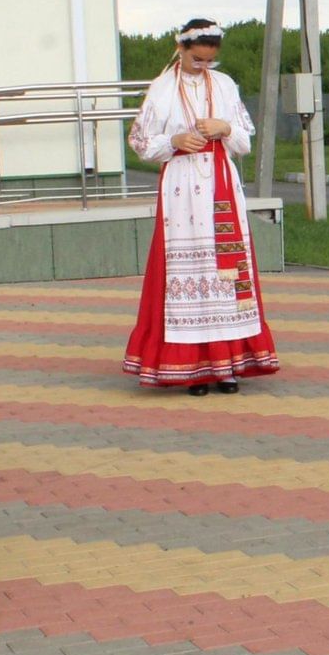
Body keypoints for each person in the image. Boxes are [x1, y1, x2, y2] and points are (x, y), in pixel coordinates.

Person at [124, 20, 278, 392]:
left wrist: (224, 128)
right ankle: (193, 367)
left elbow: (244, 139)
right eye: (197, 59)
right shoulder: (162, 90)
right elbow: (140, 142)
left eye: (210, 60)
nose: (203, 66)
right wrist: (174, 140)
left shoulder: (224, 86)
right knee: (188, 273)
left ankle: (227, 365)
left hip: (221, 186)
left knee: (227, 273)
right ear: (181, 49)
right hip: (182, 187)